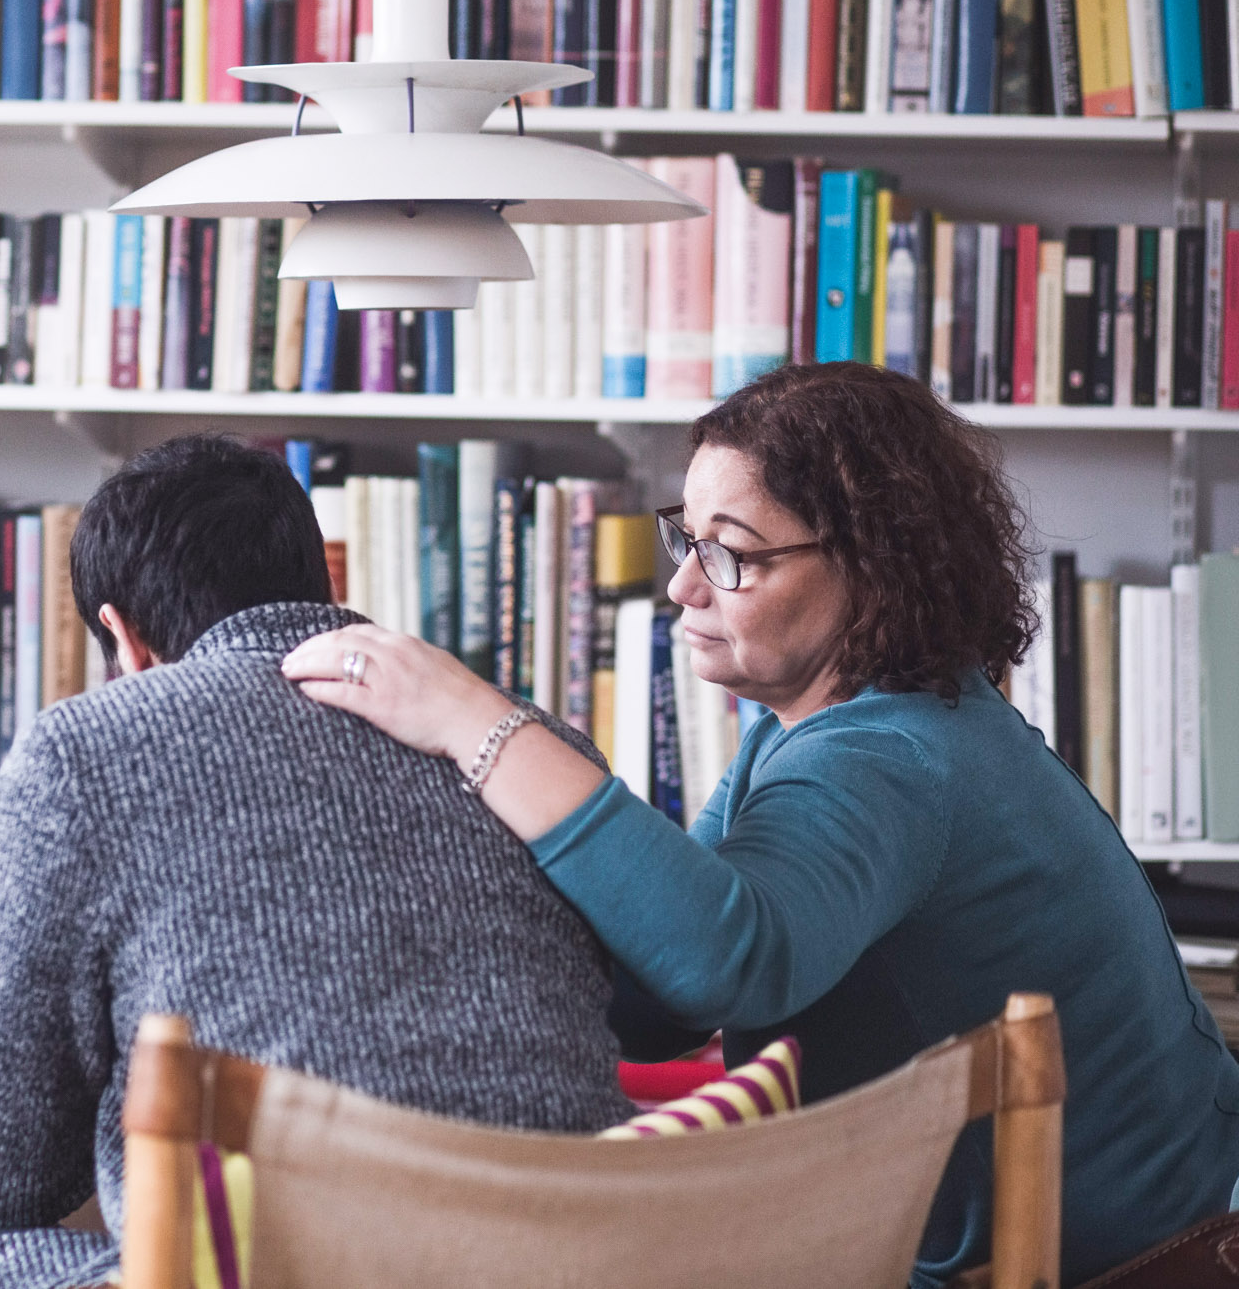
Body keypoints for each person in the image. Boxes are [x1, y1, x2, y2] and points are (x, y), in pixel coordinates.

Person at [281, 360, 1239, 1286]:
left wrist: (471, 719)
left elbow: (720, 960)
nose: (683, 589)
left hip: (1129, 1266)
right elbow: (668, 1003)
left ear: (871, 566)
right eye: (686, 538)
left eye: (731, 553)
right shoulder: (834, 727)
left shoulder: (890, 756)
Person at [0, 433, 633, 1289]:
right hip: (567, 1259)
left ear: (121, 640)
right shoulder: (528, 750)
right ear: (320, 585)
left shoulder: (83, 751)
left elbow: (0, 1173)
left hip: (288, 1267)